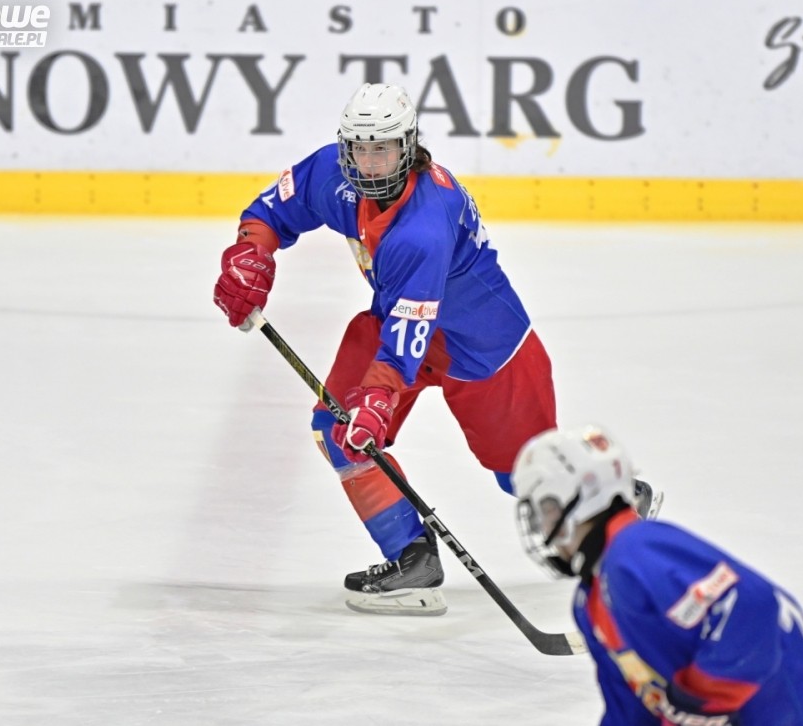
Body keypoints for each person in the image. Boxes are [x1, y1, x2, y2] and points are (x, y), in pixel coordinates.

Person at [212, 82, 559, 616]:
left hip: (485, 347)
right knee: (339, 427)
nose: (370, 164)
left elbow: (404, 340)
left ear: (409, 147)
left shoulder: (422, 228)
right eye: (361, 149)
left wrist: (377, 398)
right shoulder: (333, 174)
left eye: (384, 149)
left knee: (523, 475)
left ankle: (620, 511)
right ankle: (411, 560)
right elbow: (269, 211)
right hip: (400, 326)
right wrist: (251, 254)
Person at [510, 425, 803, 725]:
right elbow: (630, 710)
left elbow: (751, 607)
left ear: (580, 498)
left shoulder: (635, 550)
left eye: (545, 509)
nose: (541, 525)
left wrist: (699, 705)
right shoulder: (589, 604)